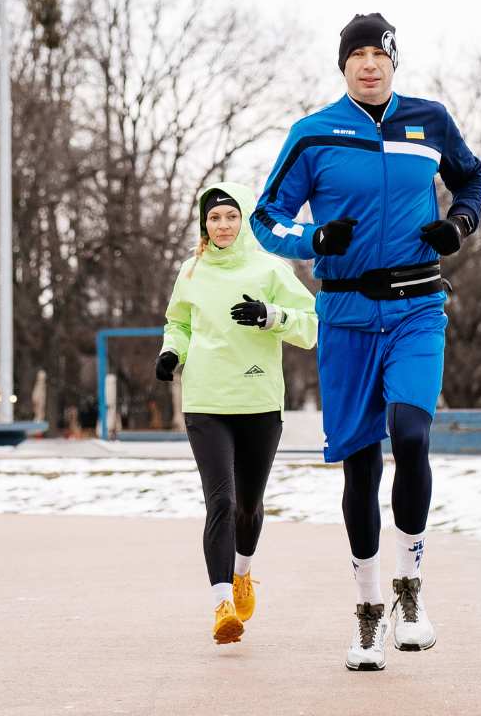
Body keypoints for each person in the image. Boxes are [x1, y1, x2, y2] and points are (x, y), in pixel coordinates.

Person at [250, 13, 481, 671]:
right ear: (343, 67)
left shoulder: (429, 122)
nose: (368, 65)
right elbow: (265, 217)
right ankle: (367, 609)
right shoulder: (314, 134)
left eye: (378, 54)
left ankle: (411, 593)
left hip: (417, 308)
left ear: (393, 62)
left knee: (411, 434)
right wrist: (311, 241)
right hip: (347, 316)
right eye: (356, 56)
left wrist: (459, 222)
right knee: (360, 463)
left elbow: (472, 178)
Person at [156, 181, 317, 645]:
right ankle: (221, 604)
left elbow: (310, 326)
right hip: (205, 401)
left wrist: (272, 316)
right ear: (203, 224)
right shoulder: (190, 271)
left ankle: (243, 573)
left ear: (244, 218)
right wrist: (172, 352)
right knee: (220, 502)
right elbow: (179, 322)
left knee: (248, 505)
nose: (223, 225)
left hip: (259, 401)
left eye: (230, 216)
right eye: (214, 218)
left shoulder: (271, 269)